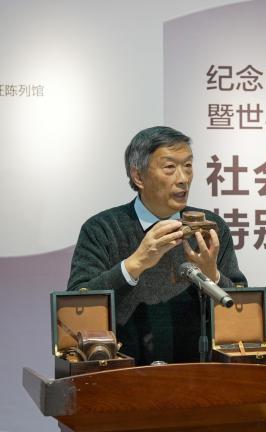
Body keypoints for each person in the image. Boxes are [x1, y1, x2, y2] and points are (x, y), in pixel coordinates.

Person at [67, 126, 246, 364]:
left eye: (188, 165)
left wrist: (212, 276)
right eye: (170, 167)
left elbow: (244, 312)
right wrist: (135, 264)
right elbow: (76, 307)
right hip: (121, 372)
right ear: (138, 177)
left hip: (198, 372)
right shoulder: (102, 228)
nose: (183, 179)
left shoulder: (210, 228)